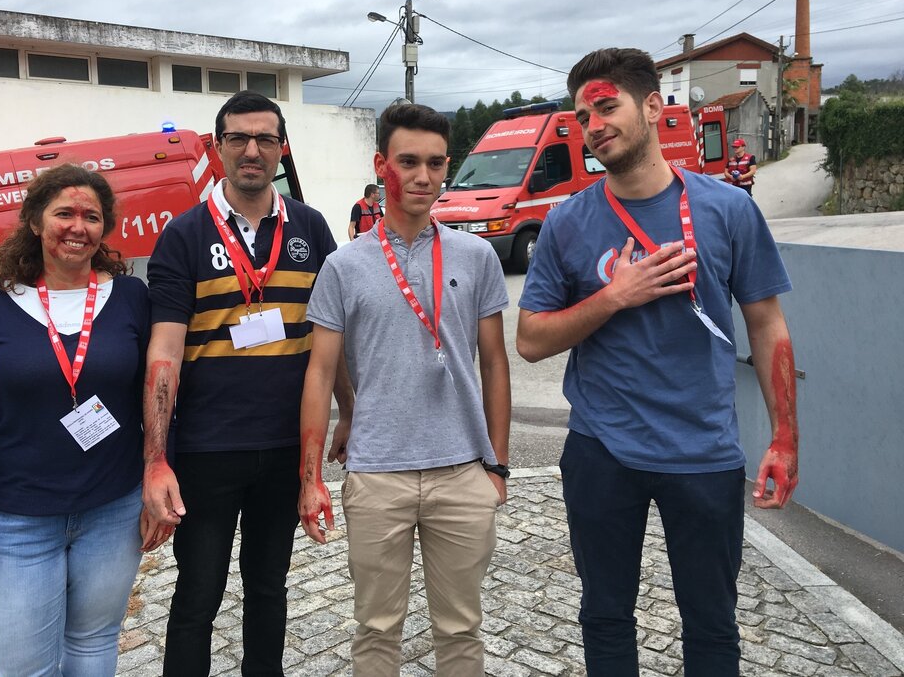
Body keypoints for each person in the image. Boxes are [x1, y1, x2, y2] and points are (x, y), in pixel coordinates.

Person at [515, 48, 800, 676]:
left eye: (606, 107)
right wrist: (614, 296)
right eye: (584, 117)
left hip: (704, 452)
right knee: (606, 615)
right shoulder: (567, 222)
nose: (593, 127)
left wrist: (784, 437)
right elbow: (531, 339)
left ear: (652, 107)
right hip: (601, 450)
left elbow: (768, 323)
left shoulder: (727, 209)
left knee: (711, 623)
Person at [142, 90, 351, 676]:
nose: (252, 150)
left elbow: (332, 341)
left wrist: (349, 412)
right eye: (238, 138)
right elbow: (164, 352)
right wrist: (154, 458)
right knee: (197, 597)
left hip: (285, 447)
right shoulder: (182, 236)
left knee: (268, 588)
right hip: (208, 451)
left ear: (282, 149)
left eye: (265, 138)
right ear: (218, 148)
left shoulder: (311, 228)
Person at [299, 103, 512, 677]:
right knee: (376, 630)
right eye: (409, 162)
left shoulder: (477, 254)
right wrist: (311, 476)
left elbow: (495, 364)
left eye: (437, 163)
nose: (424, 176)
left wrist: (498, 466)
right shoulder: (344, 266)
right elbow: (320, 373)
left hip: (462, 470)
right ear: (381, 165)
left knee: (462, 627)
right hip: (377, 474)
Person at [0, 163, 165, 676]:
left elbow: (155, 398)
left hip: (112, 511)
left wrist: (157, 474)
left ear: (104, 229)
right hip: (21, 520)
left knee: (92, 645)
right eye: (64, 213)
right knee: (25, 667)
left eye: (91, 216)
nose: (77, 227)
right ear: (35, 222)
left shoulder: (130, 299)